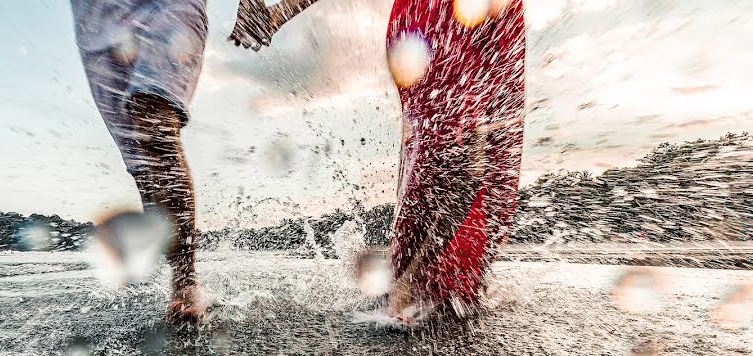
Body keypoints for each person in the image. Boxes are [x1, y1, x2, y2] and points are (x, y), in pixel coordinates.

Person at [230, 0, 526, 320]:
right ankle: (410, 284)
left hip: (453, 20)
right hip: (440, 18)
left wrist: (280, 12)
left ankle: (423, 280)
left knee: (462, 142)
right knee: (451, 144)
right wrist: (280, 12)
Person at [73, 0, 271, 322]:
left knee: (152, 114)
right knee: (143, 168)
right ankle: (174, 269)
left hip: (169, 6)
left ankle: (184, 279)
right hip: (96, 21)